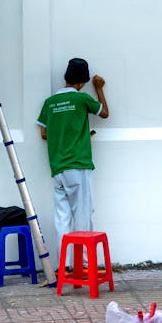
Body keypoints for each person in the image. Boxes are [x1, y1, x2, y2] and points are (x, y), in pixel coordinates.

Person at [37, 58, 109, 255]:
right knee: (83, 215)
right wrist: (99, 88)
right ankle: (84, 263)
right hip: (78, 165)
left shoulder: (50, 102)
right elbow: (104, 113)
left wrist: (62, 134)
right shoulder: (81, 98)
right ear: (82, 83)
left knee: (62, 218)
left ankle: (65, 263)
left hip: (58, 168)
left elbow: (44, 134)